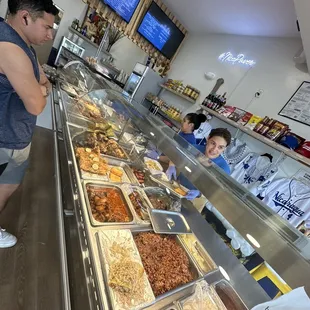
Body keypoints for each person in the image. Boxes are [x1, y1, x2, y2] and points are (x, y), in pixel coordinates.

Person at [0, 0, 59, 248]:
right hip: (6, 138)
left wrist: (40, 88)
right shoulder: (9, 46)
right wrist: (40, 90)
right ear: (25, 17)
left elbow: (45, 82)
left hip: (16, 135)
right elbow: (36, 104)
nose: (50, 34)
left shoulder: (26, 47)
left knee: (9, 185)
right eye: (47, 27)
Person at [166, 128, 232, 200]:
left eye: (220, 147)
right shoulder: (194, 148)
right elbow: (178, 155)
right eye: (213, 143)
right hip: (177, 185)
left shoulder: (224, 168)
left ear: (225, 148)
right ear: (208, 138)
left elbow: (216, 191)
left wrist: (199, 193)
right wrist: (171, 165)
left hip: (197, 199)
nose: (214, 149)